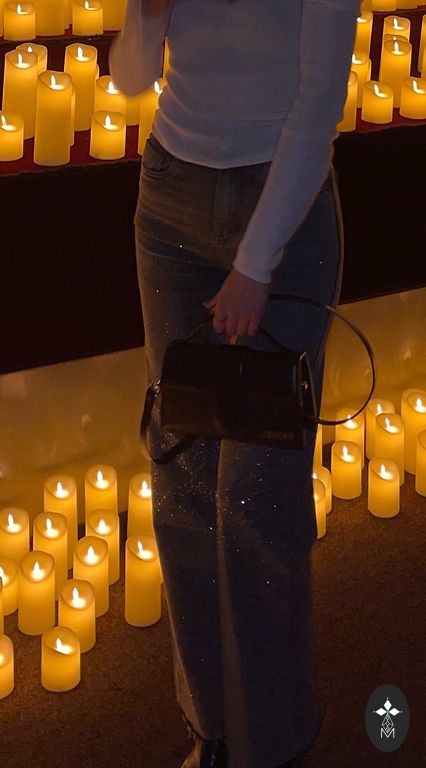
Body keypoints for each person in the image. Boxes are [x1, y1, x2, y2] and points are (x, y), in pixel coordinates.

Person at [110, 1, 359, 766]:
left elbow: (320, 99)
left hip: (281, 208)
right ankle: (212, 729)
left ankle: (271, 745)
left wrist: (254, 264)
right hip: (170, 201)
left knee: (258, 498)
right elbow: (131, 79)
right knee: (182, 478)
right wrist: (149, 13)